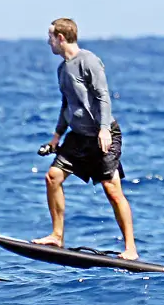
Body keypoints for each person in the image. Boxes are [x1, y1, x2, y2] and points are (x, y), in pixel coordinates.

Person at [33, 18, 139, 260]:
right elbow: (66, 104)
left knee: (112, 190)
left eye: (50, 38)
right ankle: (57, 236)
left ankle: (130, 248)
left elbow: (103, 96)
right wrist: (56, 137)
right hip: (77, 137)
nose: (48, 42)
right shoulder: (62, 69)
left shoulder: (88, 61)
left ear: (60, 38)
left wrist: (103, 129)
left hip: (103, 134)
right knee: (53, 177)